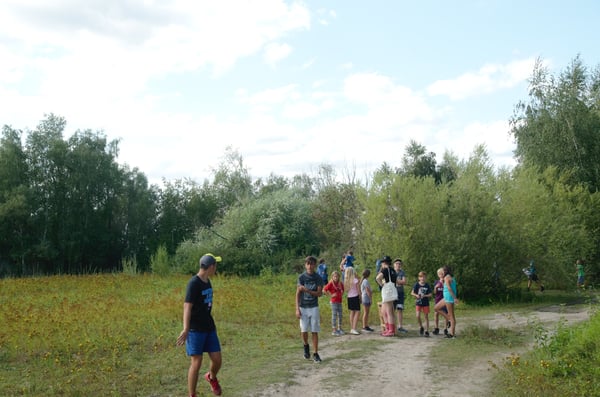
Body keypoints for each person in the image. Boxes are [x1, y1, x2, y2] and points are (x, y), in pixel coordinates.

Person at [176, 253, 224, 397]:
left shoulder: (207, 281)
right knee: (196, 363)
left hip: (209, 327)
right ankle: (192, 394)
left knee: (217, 360)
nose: (216, 268)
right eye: (215, 265)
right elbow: (187, 307)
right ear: (210, 267)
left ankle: (211, 377)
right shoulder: (194, 283)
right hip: (195, 329)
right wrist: (186, 328)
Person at [296, 255, 325, 362]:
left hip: (313, 307)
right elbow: (298, 292)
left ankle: (316, 353)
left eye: (312, 264)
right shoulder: (301, 277)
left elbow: (319, 293)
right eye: (308, 264)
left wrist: (307, 290)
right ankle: (306, 346)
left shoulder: (318, 278)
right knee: (303, 330)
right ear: (305, 265)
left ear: (315, 265)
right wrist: (297, 308)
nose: (310, 266)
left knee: (314, 330)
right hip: (303, 307)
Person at [434, 265, 459, 338]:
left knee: (452, 316)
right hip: (446, 297)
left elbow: (449, 288)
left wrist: (455, 298)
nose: (442, 272)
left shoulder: (446, 277)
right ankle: (448, 318)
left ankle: (452, 334)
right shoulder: (451, 277)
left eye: (443, 270)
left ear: (446, 271)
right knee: (436, 308)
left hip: (449, 298)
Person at [375, 256, 396, 337]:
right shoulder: (392, 270)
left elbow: (377, 278)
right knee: (384, 311)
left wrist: (382, 284)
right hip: (391, 291)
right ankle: (388, 328)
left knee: (388, 311)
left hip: (387, 292)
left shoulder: (385, 270)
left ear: (383, 263)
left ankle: (391, 330)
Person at [323, 270, 345, 336]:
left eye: (337, 276)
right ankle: (334, 330)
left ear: (339, 277)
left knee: (340, 315)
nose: (336, 278)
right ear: (332, 277)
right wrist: (331, 295)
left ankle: (340, 328)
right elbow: (324, 290)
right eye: (334, 276)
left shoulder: (340, 283)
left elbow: (343, 290)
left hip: (339, 301)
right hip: (333, 301)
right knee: (334, 315)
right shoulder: (330, 283)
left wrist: (341, 293)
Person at [411, 271, 433, 337]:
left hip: (425, 303)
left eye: (424, 277)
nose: (422, 278)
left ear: (426, 278)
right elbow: (412, 293)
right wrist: (416, 295)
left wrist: (425, 295)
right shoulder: (416, 285)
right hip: (418, 302)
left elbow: (430, 294)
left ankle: (427, 331)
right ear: (419, 278)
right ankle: (421, 327)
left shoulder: (427, 285)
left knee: (426, 317)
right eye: (421, 277)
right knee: (417, 316)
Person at [344, 266, 361, 335]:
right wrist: (360, 296)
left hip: (349, 297)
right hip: (355, 296)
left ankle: (352, 327)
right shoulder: (355, 280)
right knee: (357, 312)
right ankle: (354, 328)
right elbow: (358, 290)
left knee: (352, 312)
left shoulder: (346, 281)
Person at [393, 259, 408, 334]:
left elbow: (404, 282)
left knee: (400, 309)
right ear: (394, 264)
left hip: (400, 293)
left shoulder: (402, 272)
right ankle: (392, 326)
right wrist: (399, 281)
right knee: (392, 310)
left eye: (399, 264)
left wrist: (396, 281)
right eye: (396, 263)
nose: (398, 265)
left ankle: (400, 326)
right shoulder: (392, 271)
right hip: (392, 293)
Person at [432, 267, 448, 335]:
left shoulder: (446, 281)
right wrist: (436, 287)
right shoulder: (436, 282)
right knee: (436, 314)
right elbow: (435, 292)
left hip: (445, 300)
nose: (440, 275)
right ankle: (436, 328)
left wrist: (443, 283)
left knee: (446, 314)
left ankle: (445, 329)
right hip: (438, 300)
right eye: (439, 274)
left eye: (441, 273)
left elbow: (448, 289)